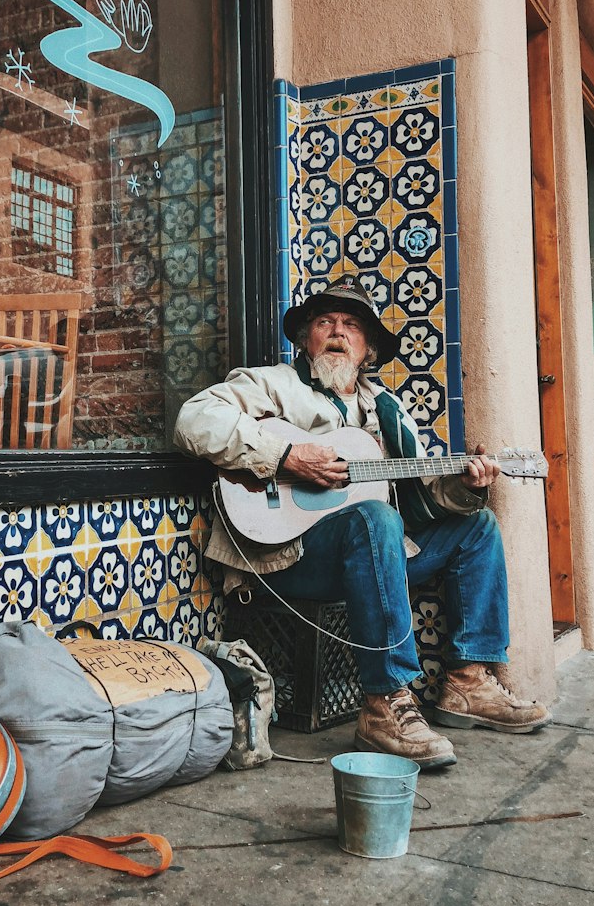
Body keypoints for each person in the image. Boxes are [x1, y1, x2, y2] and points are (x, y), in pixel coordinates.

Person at [174, 274, 550, 769]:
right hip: (284, 556)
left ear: (368, 349)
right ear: (306, 338)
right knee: (375, 519)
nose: (337, 332)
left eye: (351, 325)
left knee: (475, 527)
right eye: (325, 321)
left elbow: (424, 497)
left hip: (371, 552)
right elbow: (192, 421)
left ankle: (467, 680)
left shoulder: (388, 411)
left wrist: (467, 486)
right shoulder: (274, 384)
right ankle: (385, 703)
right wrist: (285, 455)